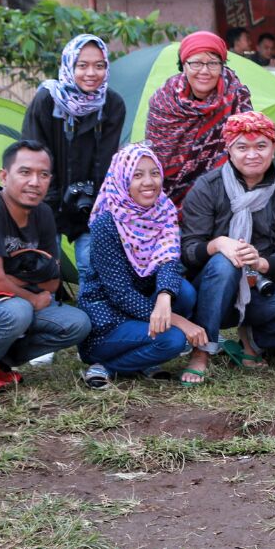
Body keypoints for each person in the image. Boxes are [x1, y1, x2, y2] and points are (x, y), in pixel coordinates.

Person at [180, 112, 275, 375]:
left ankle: (252, 339)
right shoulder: (208, 187)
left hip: (257, 288)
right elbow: (187, 251)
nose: (252, 155)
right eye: (242, 147)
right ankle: (202, 350)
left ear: (273, 148)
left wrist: (260, 262)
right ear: (229, 150)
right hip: (211, 292)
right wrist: (217, 245)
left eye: (261, 146)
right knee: (225, 262)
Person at [0, 140, 92, 395]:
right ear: (4, 176)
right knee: (19, 310)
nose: (35, 182)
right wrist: (30, 295)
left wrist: (8, 279)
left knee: (77, 323)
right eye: (25, 172)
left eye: (43, 175)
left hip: (9, 302)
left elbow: (53, 282)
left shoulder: (43, 213)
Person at [77, 144, 207, 388]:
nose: (149, 182)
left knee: (184, 292)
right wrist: (179, 321)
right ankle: (104, 365)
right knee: (173, 340)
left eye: (154, 173)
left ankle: (140, 353)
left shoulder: (163, 211)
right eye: (137, 175)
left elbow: (169, 261)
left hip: (143, 307)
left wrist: (165, 297)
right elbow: (120, 294)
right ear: (122, 179)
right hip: (108, 321)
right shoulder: (107, 224)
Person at [21, 33, 125, 284]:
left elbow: (107, 161)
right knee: (45, 270)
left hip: (93, 201)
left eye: (99, 66)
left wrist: (95, 203)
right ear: (69, 65)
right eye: (82, 65)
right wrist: (51, 201)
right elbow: (33, 157)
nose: (91, 73)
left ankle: (92, 306)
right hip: (45, 197)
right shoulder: (47, 100)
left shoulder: (112, 104)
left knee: (92, 269)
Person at [146, 31, 253, 210]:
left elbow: (247, 150)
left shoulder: (237, 97)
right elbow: (157, 158)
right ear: (184, 65)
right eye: (196, 63)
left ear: (222, 66)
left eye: (213, 63)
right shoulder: (164, 101)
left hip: (225, 201)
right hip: (168, 204)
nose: (204, 71)